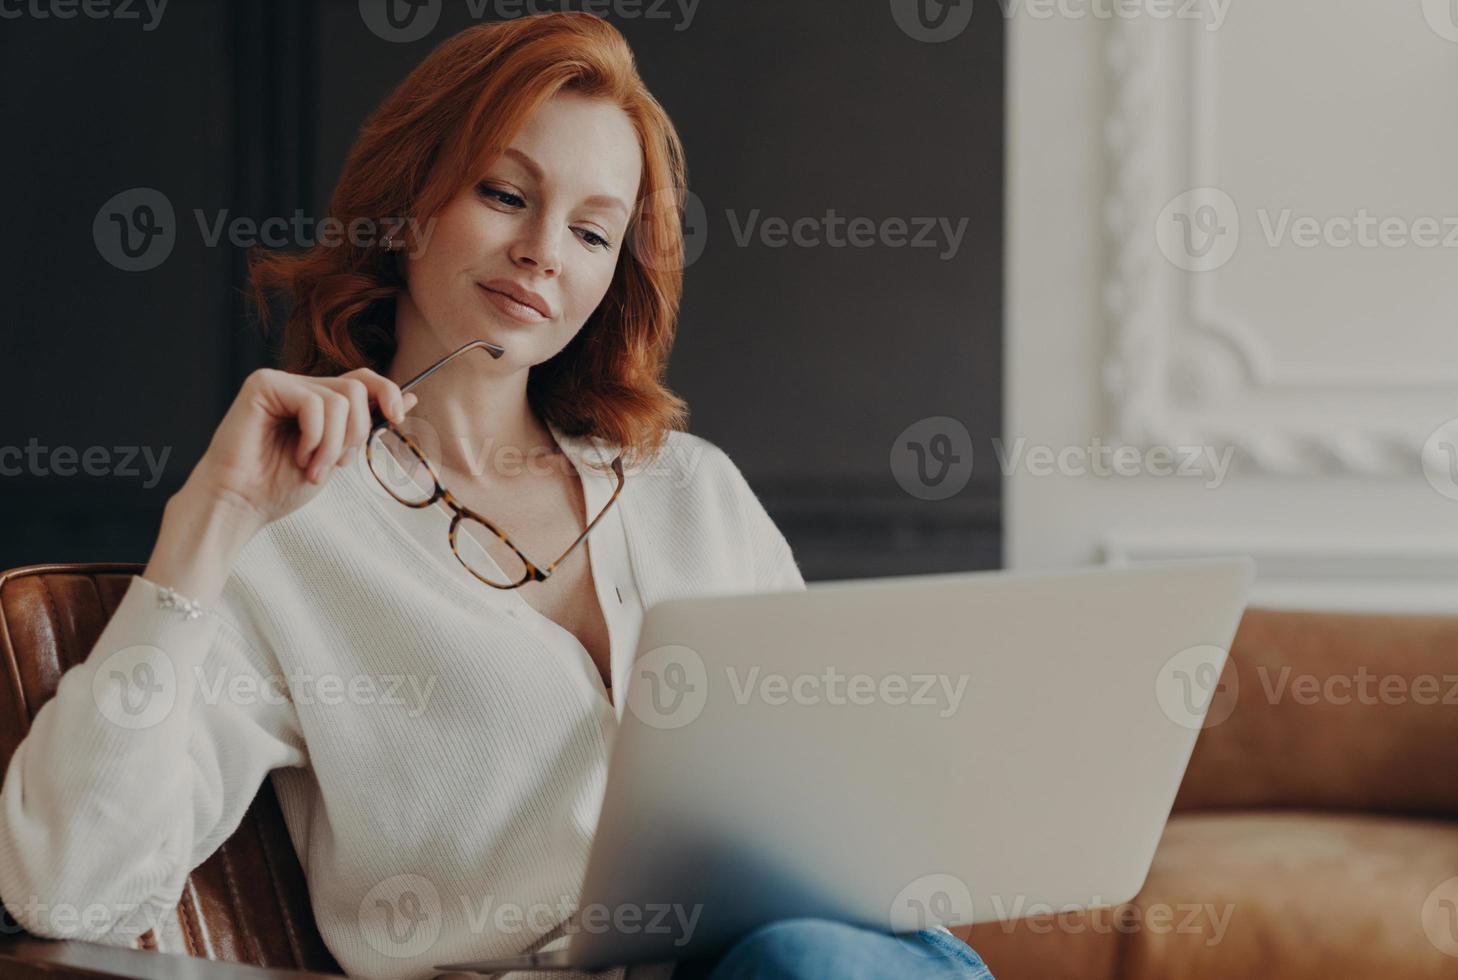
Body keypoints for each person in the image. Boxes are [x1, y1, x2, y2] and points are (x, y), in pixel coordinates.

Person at [0, 13, 993, 980]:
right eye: (507, 194)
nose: (544, 253)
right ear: (408, 201)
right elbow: (70, 892)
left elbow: (842, 796)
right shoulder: (292, 532)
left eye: (594, 232)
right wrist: (205, 523)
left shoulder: (694, 492)